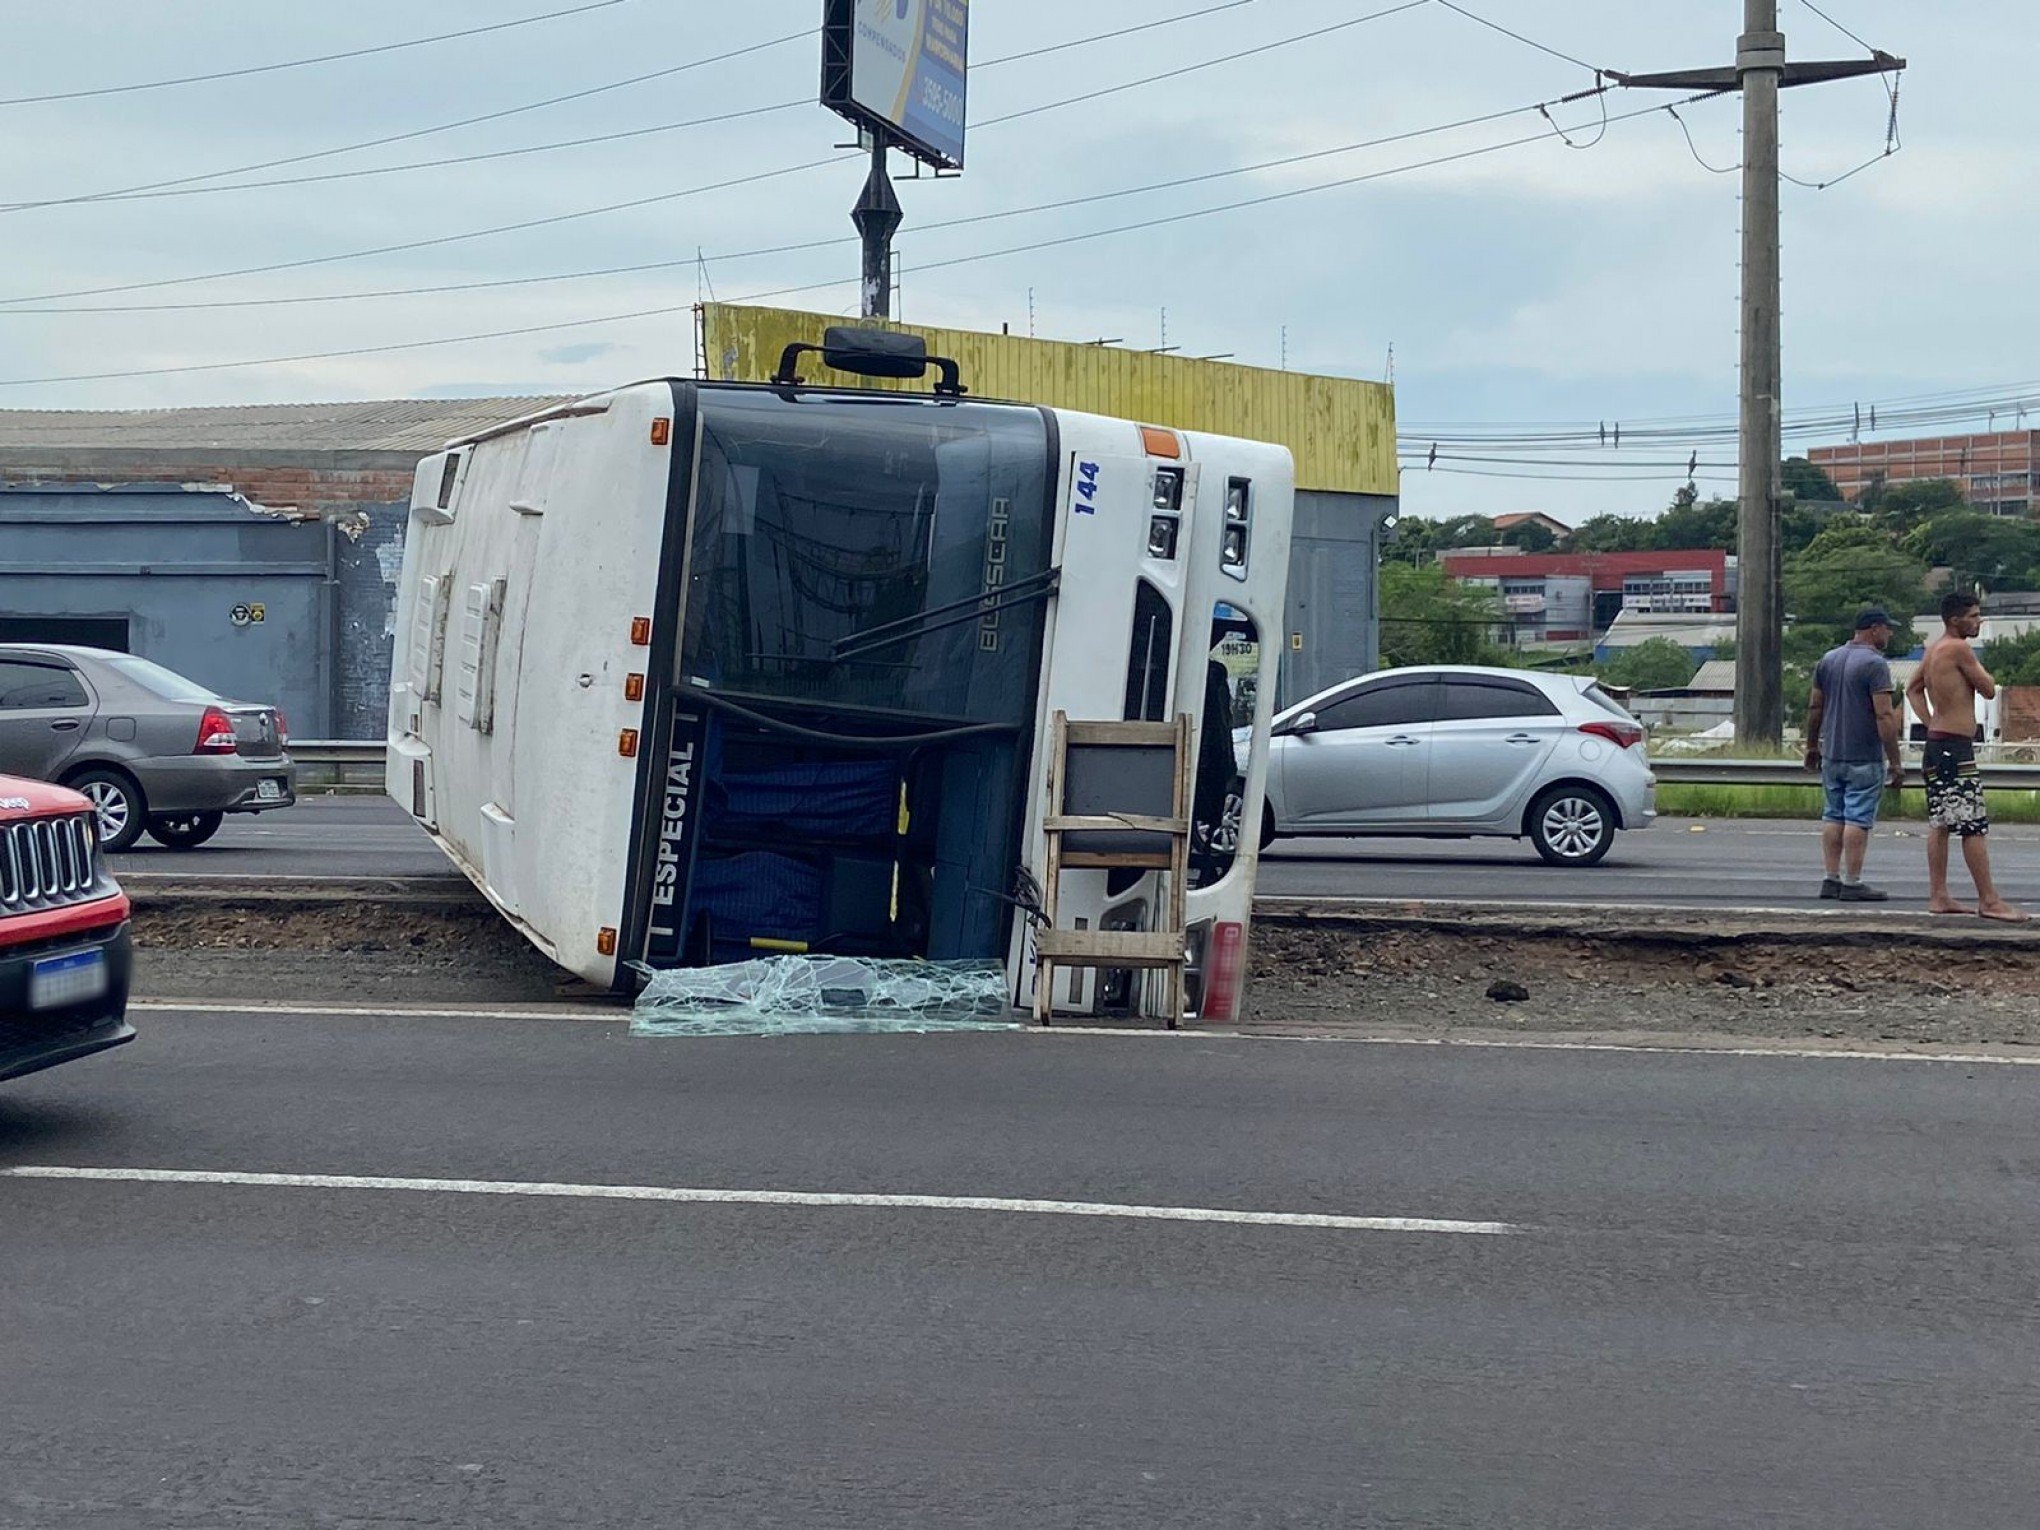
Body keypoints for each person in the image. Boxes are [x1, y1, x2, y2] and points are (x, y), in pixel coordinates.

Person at [1905, 590, 2027, 921]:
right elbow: (1988, 688)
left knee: (1941, 822)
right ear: (1955, 620)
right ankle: (1989, 900)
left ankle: (1939, 894)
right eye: (1973, 616)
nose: (1979, 621)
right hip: (1954, 748)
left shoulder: (1933, 650)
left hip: (1937, 744)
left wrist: (1931, 722)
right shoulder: (1958, 649)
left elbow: (1912, 688)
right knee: (1973, 824)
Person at [1804, 608, 1903, 901]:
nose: (1889, 633)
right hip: (1864, 754)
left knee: (1833, 815)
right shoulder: (1875, 664)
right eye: (1887, 628)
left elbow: (1815, 707)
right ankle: (1852, 881)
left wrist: (1812, 745)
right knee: (1857, 818)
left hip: (1832, 752)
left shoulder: (1829, 659)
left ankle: (1830, 878)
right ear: (1874, 629)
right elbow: (1884, 715)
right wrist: (1895, 761)